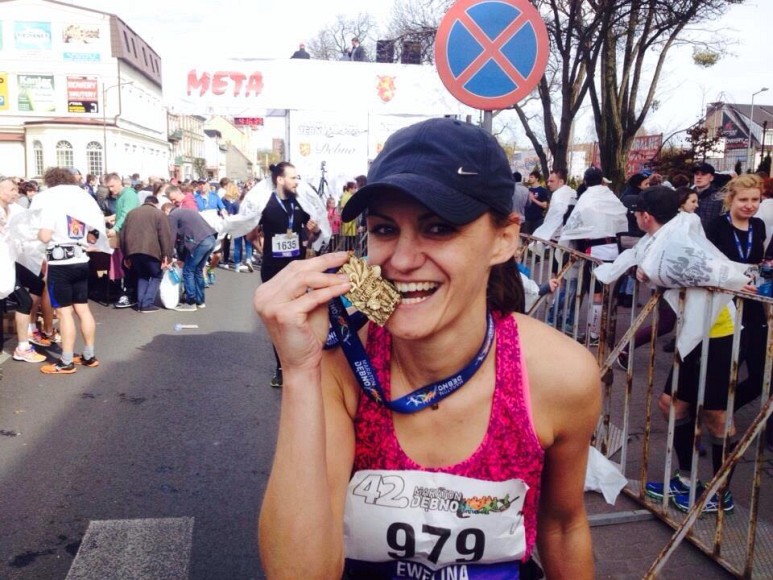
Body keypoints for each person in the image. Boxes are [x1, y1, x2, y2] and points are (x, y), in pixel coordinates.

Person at [255, 118, 600, 579]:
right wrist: (299, 372)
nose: (401, 260)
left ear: (503, 240)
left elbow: (563, 526)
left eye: (438, 228)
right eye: (383, 229)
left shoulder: (561, 375)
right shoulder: (343, 365)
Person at [633, 186, 742, 514]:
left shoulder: (677, 240)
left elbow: (712, 271)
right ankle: (685, 478)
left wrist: (652, 274)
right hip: (693, 332)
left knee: (716, 415)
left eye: (636, 212)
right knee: (672, 404)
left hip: (717, 331)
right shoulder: (666, 237)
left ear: (645, 216)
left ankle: (721, 492)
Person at [30, 169, 110, 374]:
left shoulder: (50, 202)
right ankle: (89, 355)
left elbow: (45, 236)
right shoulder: (81, 200)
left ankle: (66, 361)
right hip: (81, 260)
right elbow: (93, 234)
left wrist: (36, 234)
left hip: (60, 264)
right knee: (82, 309)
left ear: (50, 182)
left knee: (64, 312)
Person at [259, 162, 322, 387]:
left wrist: (313, 231)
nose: (297, 182)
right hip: (273, 271)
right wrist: (266, 253)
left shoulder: (299, 204)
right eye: (293, 177)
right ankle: (281, 367)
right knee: (278, 320)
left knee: (297, 319)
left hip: (296, 270)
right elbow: (250, 235)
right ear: (280, 179)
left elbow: (311, 237)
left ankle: (299, 364)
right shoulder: (265, 204)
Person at [558, 167, 628, 343]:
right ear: (602, 180)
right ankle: (601, 331)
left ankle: (595, 334)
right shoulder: (610, 197)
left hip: (594, 251)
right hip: (612, 248)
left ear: (585, 181)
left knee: (597, 293)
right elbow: (621, 216)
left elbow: (574, 223)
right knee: (604, 291)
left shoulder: (587, 198)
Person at [119, 195, 174, 313]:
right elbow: (165, 236)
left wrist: (125, 255)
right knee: (156, 276)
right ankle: (147, 304)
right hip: (152, 251)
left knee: (142, 276)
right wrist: (167, 256)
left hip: (133, 251)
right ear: (156, 204)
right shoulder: (159, 214)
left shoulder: (131, 213)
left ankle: (140, 303)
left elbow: (122, 235)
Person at [162, 202, 217, 311]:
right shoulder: (187, 211)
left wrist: (168, 257)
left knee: (188, 271)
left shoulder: (173, 215)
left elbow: (171, 237)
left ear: (167, 211)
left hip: (199, 243)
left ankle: (190, 302)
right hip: (210, 239)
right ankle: (200, 301)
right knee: (198, 270)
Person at [691, 162, 723, 229]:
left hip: (710, 234)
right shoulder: (687, 195)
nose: (698, 177)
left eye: (703, 174)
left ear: (711, 178)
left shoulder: (719, 197)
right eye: (696, 174)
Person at [523, 170, 549, 234]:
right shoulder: (528, 190)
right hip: (527, 219)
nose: (530, 179)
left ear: (537, 179)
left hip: (538, 220)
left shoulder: (542, 191)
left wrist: (533, 199)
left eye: (532, 177)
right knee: (525, 238)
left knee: (535, 238)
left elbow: (545, 205)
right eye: (529, 177)